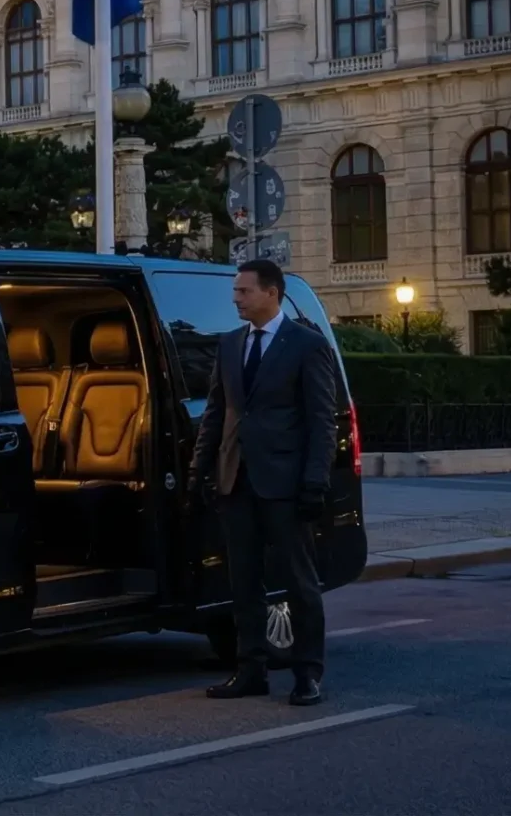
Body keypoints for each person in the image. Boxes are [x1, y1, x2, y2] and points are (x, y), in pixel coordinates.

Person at [187, 258, 340, 707]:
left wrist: (315, 482)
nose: (235, 298)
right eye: (235, 292)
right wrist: (203, 470)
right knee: (244, 583)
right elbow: (218, 413)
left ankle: (307, 673)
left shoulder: (306, 345)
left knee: (298, 583)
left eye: (244, 291)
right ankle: (250, 669)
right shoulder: (230, 344)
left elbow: (321, 421)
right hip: (237, 481)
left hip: (287, 485)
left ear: (271, 293)